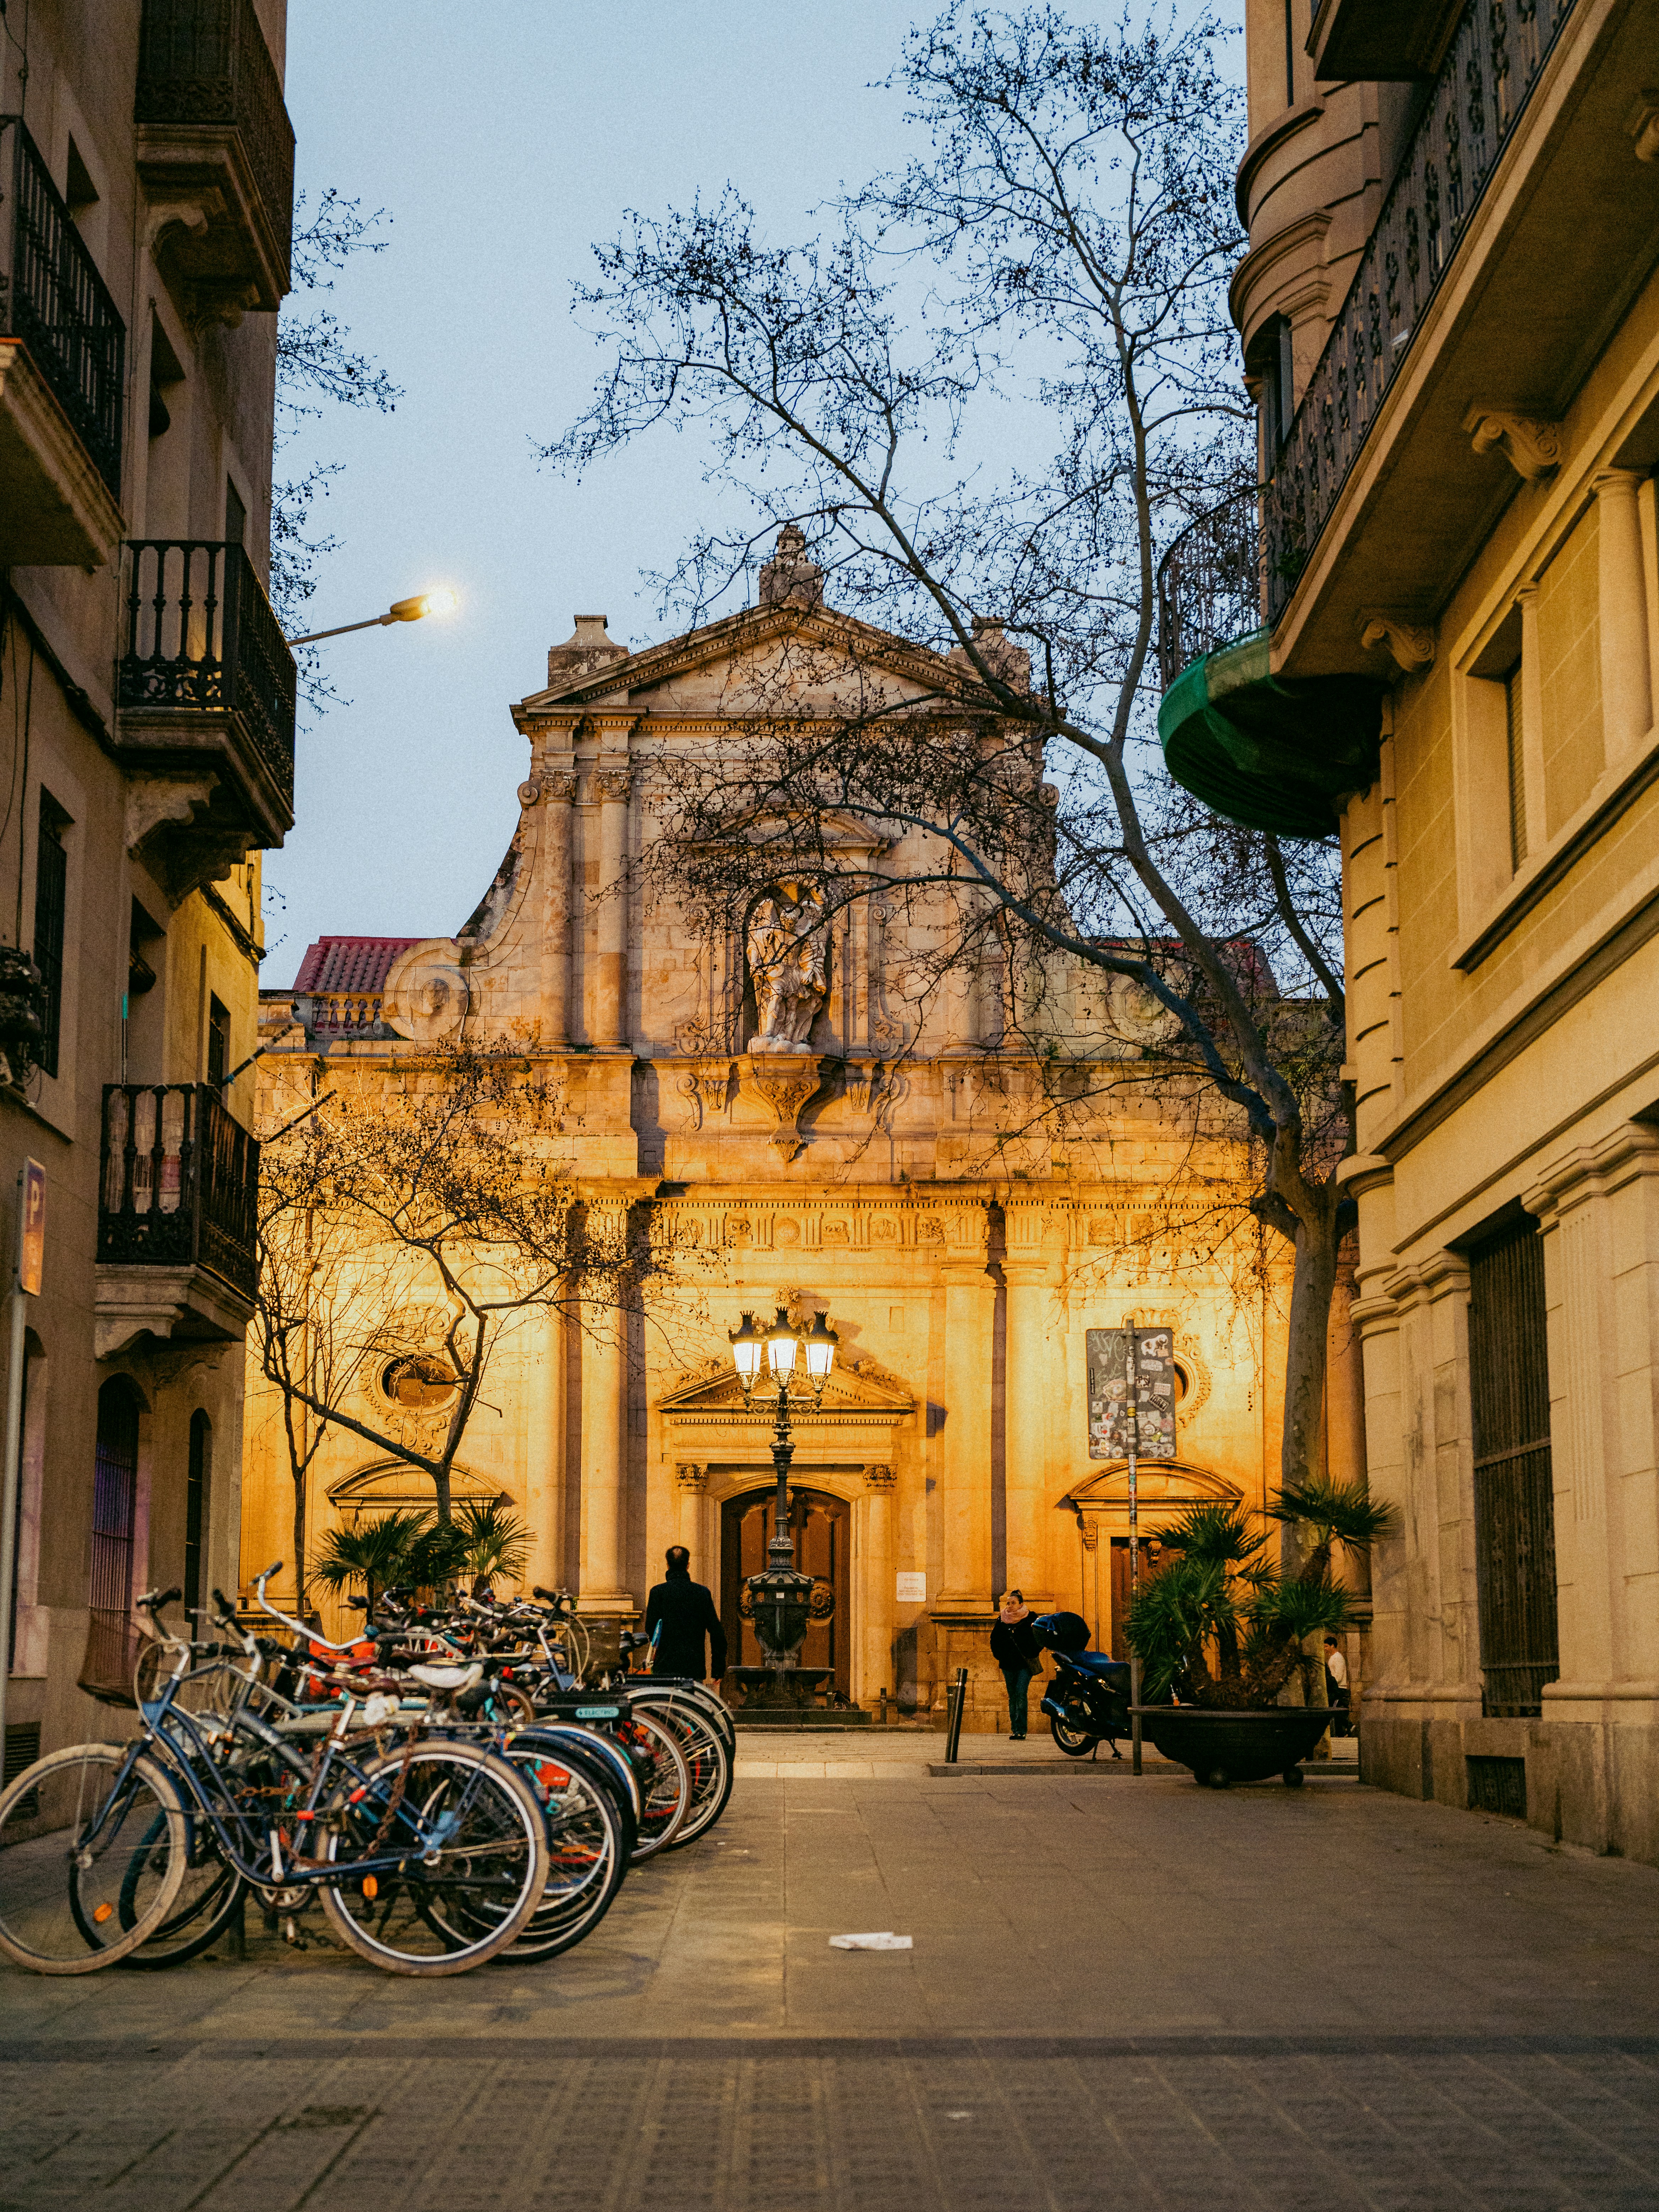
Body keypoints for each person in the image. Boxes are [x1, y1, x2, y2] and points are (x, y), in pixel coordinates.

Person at [642, 1545, 728, 1685]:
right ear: (688, 1565)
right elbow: (717, 1632)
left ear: (668, 1565)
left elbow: (651, 1629)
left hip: (665, 1667)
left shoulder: (658, 1593)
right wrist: (718, 1669)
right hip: (693, 1668)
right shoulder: (702, 1593)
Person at [991, 1589, 1040, 1741]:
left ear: (1021, 1604)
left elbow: (1040, 1637)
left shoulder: (1031, 1618)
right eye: (1008, 1603)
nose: (1010, 1606)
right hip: (1008, 1664)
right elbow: (994, 1640)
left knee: (1020, 1694)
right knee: (1013, 1697)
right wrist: (1000, 1656)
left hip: (1025, 1664)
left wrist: (1032, 1652)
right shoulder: (1002, 1620)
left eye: (1014, 1603)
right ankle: (1015, 1730)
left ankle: (1022, 1730)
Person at [1324, 1634, 1351, 1735]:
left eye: (1327, 1646)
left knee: (1336, 1711)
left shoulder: (1338, 1658)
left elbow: (1338, 1676)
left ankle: (1348, 1727)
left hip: (1339, 1689)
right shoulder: (1333, 1658)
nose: (1325, 1649)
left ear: (1333, 1646)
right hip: (1336, 1688)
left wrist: (1331, 1685)